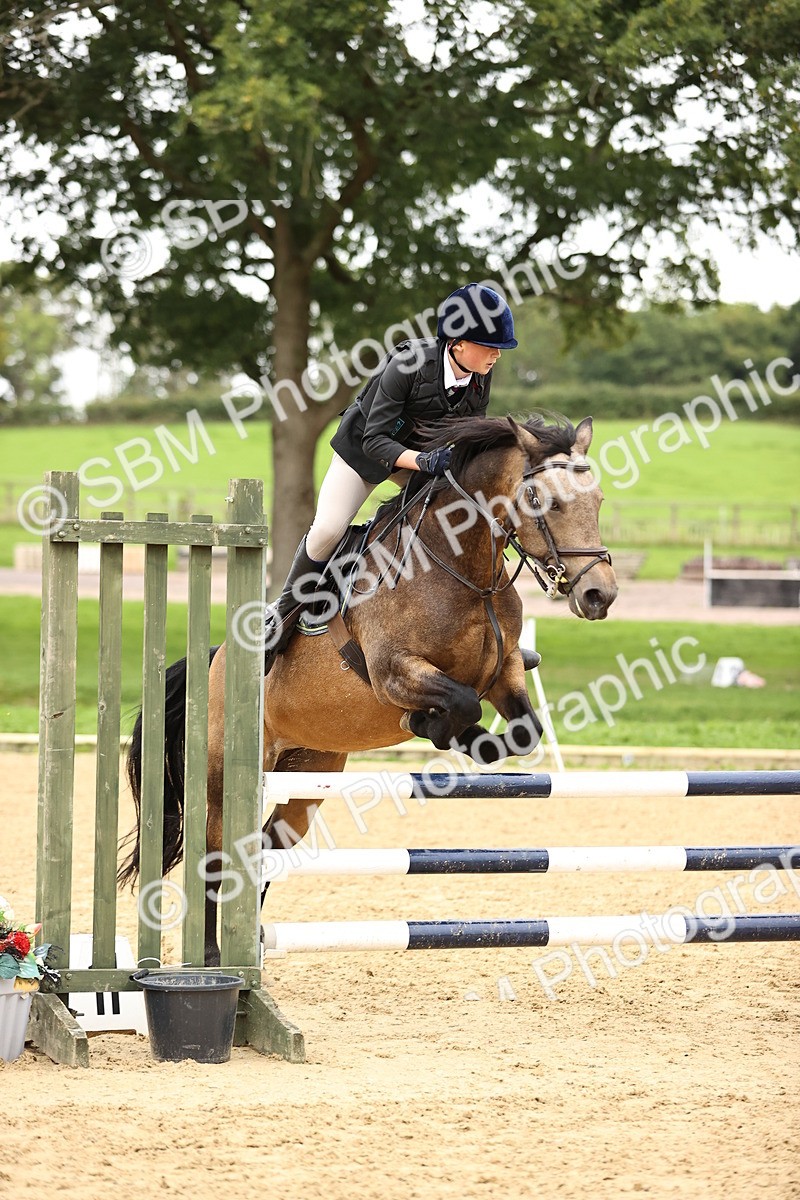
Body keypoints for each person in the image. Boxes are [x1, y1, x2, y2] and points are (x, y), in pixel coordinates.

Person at [264, 282, 519, 669]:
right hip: (364, 454)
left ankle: (487, 630)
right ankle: (279, 619)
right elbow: (374, 440)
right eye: (489, 345)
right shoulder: (407, 366)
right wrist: (422, 461)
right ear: (457, 342)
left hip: (420, 460)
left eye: (499, 347)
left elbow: (467, 433)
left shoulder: (479, 375)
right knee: (329, 529)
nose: (497, 354)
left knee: (465, 515)